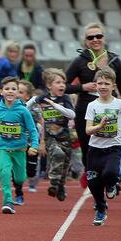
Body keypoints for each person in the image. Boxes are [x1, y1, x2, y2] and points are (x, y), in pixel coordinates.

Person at [66, 23, 121, 186]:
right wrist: (82, 87)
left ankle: (110, 178)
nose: (95, 40)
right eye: (91, 37)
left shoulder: (114, 60)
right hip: (87, 108)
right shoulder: (79, 61)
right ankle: (94, 183)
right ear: (85, 41)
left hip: (111, 108)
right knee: (87, 147)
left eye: (98, 36)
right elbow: (64, 85)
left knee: (112, 144)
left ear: (104, 38)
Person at [85, 67, 121, 226]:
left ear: (113, 86)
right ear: (95, 85)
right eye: (100, 83)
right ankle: (101, 210)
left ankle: (111, 184)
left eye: (106, 83)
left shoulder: (120, 104)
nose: (102, 86)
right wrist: (98, 127)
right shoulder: (92, 106)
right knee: (93, 184)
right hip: (94, 149)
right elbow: (88, 130)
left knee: (110, 172)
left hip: (113, 148)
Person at [0, 76, 39, 215]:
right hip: (4, 148)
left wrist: (34, 145)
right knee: (4, 173)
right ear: (1, 92)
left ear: (17, 93)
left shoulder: (23, 111)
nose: (10, 91)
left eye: (13, 89)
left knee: (20, 178)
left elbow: (32, 130)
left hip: (20, 149)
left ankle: (17, 183)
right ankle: (8, 202)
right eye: (7, 89)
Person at [27, 69, 75, 201]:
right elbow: (32, 100)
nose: (62, 85)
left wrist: (55, 105)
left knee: (64, 167)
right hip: (49, 137)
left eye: (63, 82)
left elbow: (72, 115)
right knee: (57, 154)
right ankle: (53, 183)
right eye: (58, 82)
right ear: (49, 86)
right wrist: (22, 110)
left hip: (64, 137)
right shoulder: (43, 98)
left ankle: (60, 186)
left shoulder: (65, 98)